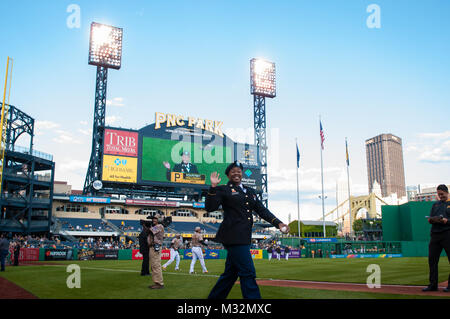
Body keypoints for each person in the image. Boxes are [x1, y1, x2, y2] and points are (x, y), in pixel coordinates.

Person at [206, 161, 289, 299]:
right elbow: (209, 207)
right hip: (232, 236)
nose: (236, 173)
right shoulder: (223, 189)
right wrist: (213, 187)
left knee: (230, 274)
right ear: (228, 175)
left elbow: (262, 210)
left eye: (238, 171)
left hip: (244, 236)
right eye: (233, 171)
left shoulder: (250, 192)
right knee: (248, 272)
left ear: (242, 173)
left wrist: (278, 223)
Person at [423, 184, 450, 292]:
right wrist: (431, 220)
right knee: (432, 261)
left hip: (448, 234)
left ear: (447, 192)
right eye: (439, 194)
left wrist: (446, 221)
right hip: (435, 235)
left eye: (442, 194)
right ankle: (433, 285)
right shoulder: (435, 205)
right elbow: (430, 218)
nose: (440, 196)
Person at [147, 214, 165, 289]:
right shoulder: (156, 226)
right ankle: (156, 282)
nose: (154, 220)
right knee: (153, 265)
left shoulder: (159, 226)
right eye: (153, 218)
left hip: (155, 247)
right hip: (152, 247)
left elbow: (150, 231)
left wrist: (146, 225)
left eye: (156, 219)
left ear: (159, 220)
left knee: (156, 265)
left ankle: (159, 283)